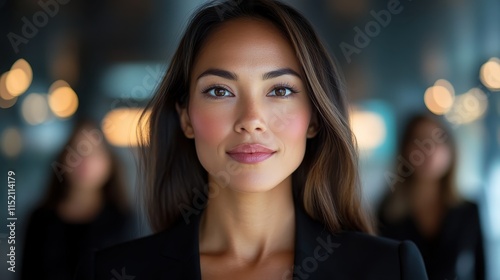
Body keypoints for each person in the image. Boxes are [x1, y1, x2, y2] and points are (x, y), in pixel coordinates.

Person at [84, 1, 428, 279]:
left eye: (280, 90)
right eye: (220, 91)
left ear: (314, 118)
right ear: (187, 118)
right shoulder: (111, 272)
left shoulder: (388, 269)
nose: (251, 120)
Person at [21, 120, 135, 280]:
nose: (85, 160)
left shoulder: (123, 218)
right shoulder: (40, 218)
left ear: (110, 163)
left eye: (94, 152)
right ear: (63, 158)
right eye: (77, 150)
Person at [378, 114, 485, 280]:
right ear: (405, 149)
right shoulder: (387, 212)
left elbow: (481, 271)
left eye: (438, 140)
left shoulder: (468, 210)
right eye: (419, 140)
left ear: (451, 150)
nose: (429, 150)